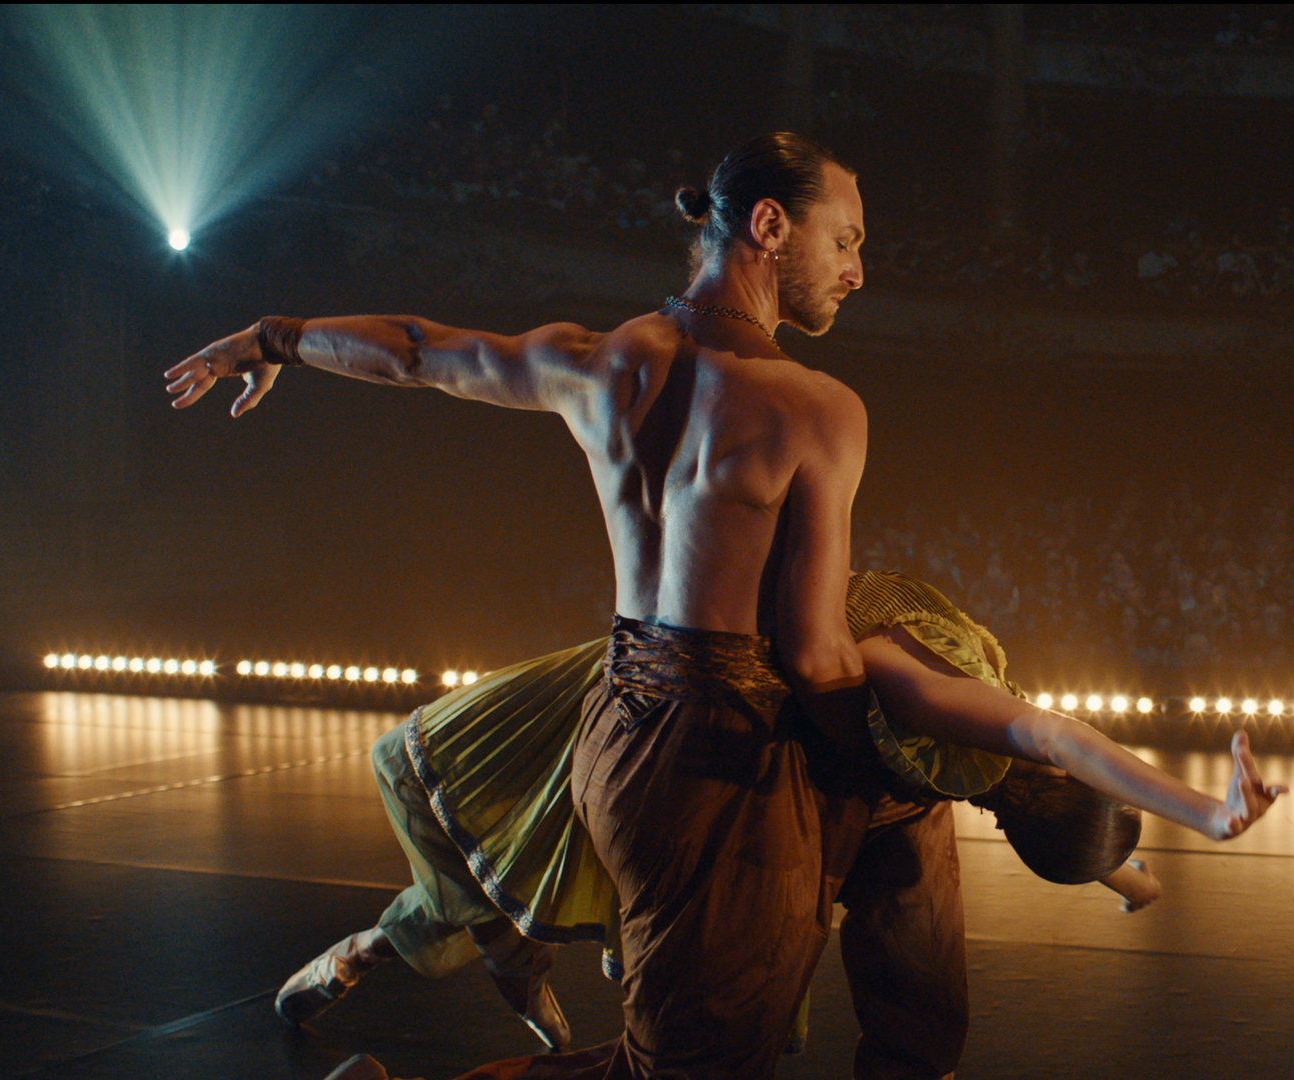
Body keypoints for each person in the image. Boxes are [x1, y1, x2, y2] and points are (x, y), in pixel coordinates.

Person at [168, 134, 972, 1080]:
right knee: (686, 1060)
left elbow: (421, 352)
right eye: (846, 240)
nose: (859, 271)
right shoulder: (815, 407)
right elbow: (815, 655)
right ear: (768, 225)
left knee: (906, 837)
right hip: (712, 753)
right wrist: (901, 745)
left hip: (619, 728)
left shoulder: (596, 363)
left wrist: (274, 338)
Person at [278, 569, 1279, 1076]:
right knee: (691, 1036)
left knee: (920, 979)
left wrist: (1138, 868)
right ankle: (383, 965)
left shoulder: (991, 768)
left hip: (842, 777)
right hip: (730, 750)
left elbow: (1068, 806)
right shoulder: (952, 708)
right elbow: (1051, 739)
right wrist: (1204, 807)